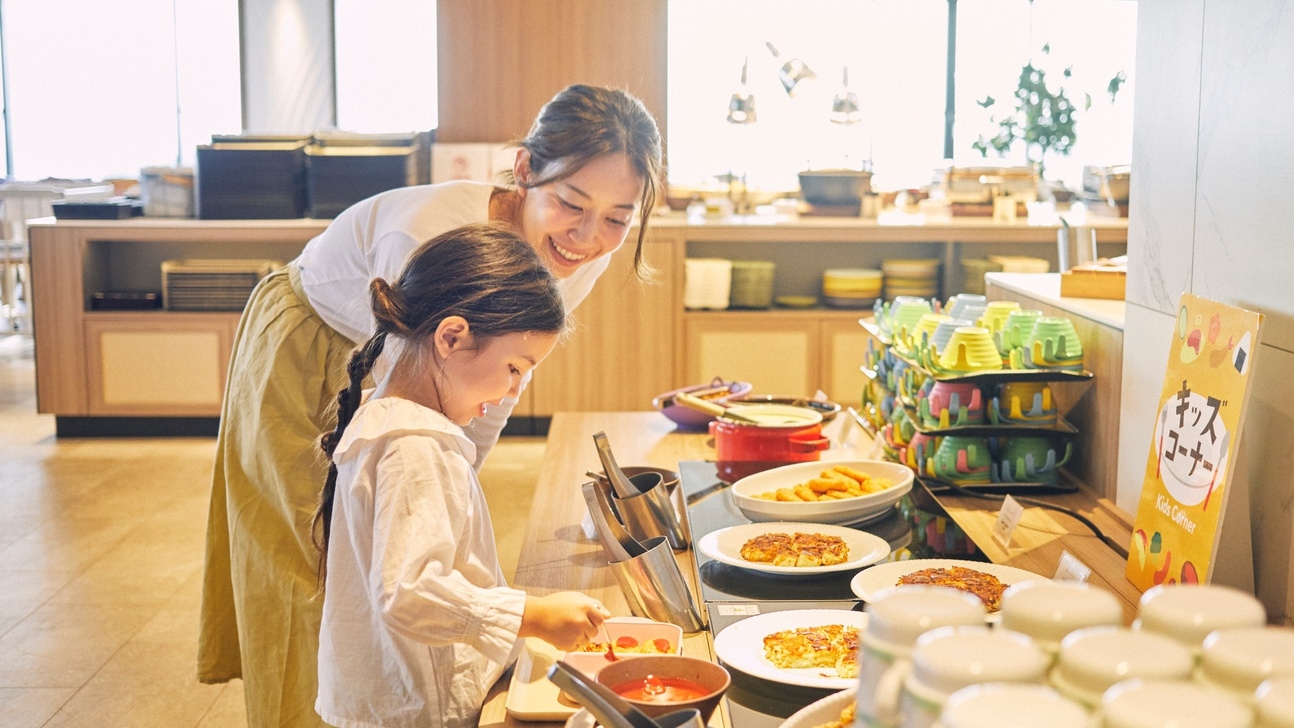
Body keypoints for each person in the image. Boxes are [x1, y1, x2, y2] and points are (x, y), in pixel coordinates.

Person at [198, 84, 662, 727]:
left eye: (617, 218)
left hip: (414, 364)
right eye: (570, 203)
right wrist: (432, 477)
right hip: (311, 336)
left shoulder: (578, 251)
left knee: (388, 539)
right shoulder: (430, 236)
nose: (588, 236)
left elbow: (496, 382)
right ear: (525, 170)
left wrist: (452, 478)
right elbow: (418, 403)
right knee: (313, 565)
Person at [311, 223, 607, 728]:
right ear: (452, 337)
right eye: (515, 368)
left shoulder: (390, 417)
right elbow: (410, 592)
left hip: (391, 697)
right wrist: (530, 615)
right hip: (418, 708)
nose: (515, 391)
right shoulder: (416, 447)